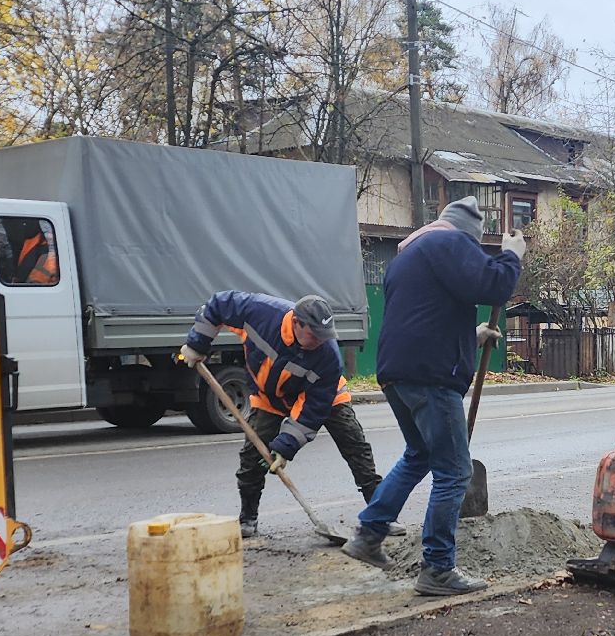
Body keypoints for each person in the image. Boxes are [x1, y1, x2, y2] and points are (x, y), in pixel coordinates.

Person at [342, 197, 524, 596]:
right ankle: (438, 568)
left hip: (399, 374)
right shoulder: (450, 243)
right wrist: (511, 256)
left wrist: (469, 337)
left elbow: (423, 317)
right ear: (467, 235)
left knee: (419, 455)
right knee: (454, 471)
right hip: (430, 377)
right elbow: (493, 285)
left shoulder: (408, 256)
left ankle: (368, 534)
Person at [178, 292, 383, 538]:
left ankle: (380, 516)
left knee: (355, 446)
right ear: (296, 322)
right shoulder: (260, 313)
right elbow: (218, 305)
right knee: (252, 458)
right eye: (314, 334)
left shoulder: (327, 356)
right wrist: (197, 344)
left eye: (325, 335)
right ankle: (248, 518)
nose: (320, 340)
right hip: (270, 397)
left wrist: (286, 447)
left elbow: (312, 409)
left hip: (326, 398)